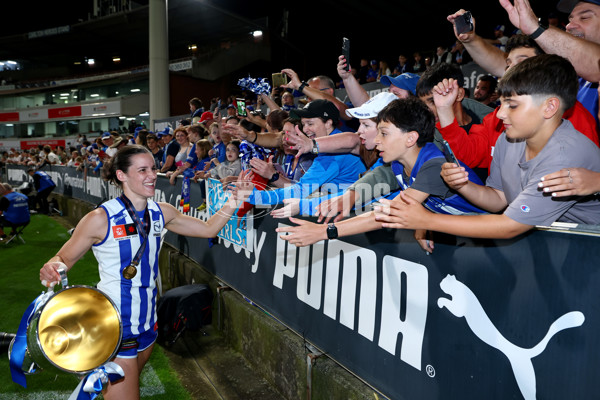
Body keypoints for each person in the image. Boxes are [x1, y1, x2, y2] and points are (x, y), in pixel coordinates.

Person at [38, 145, 248, 400]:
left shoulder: (162, 212)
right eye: (142, 170)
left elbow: (208, 229)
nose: (151, 175)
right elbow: (64, 258)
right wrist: (53, 268)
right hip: (115, 324)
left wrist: (235, 200)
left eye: (153, 168)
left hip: (148, 322)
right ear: (121, 175)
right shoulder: (100, 218)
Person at [374, 55, 600, 239]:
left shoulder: (564, 155)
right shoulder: (508, 139)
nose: (500, 114)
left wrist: (427, 220)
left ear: (550, 107)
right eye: (500, 103)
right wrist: (463, 186)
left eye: (512, 106)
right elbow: (498, 199)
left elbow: (511, 224)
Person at [275, 97, 486, 249]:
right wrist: (350, 196)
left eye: (383, 133)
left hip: (490, 235)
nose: (376, 140)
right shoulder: (398, 162)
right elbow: (379, 177)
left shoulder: (433, 165)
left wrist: (324, 232)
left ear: (410, 138)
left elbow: (387, 214)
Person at [434, 34, 599, 176]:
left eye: (522, 62)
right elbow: (467, 155)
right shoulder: (496, 119)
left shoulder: (574, 117)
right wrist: (444, 110)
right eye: (508, 64)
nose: (510, 70)